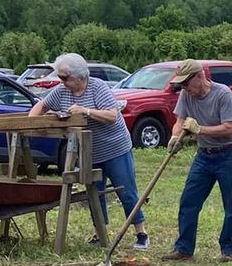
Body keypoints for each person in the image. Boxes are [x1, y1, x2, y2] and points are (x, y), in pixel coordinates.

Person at [29, 53, 149, 250]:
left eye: (65, 78)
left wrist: (85, 111)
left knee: (126, 192)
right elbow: (41, 106)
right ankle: (100, 233)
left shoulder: (98, 87)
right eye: (60, 77)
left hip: (114, 148)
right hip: (89, 152)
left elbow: (111, 115)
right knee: (95, 193)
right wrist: (31, 124)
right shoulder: (61, 91)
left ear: (80, 76)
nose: (62, 81)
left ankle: (141, 232)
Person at [162, 60, 232, 264]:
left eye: (187, 83)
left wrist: (200, 130)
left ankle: (229, 250)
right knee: (189, 201)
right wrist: (175, 137)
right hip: (204, 156)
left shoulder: (223, 93)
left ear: (200, 77)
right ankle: (184, 249)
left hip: (229, 155)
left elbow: (228, 127)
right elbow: (180, 122)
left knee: (231, 205)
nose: (184, 88)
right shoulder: (186, 94)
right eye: (181, 85)